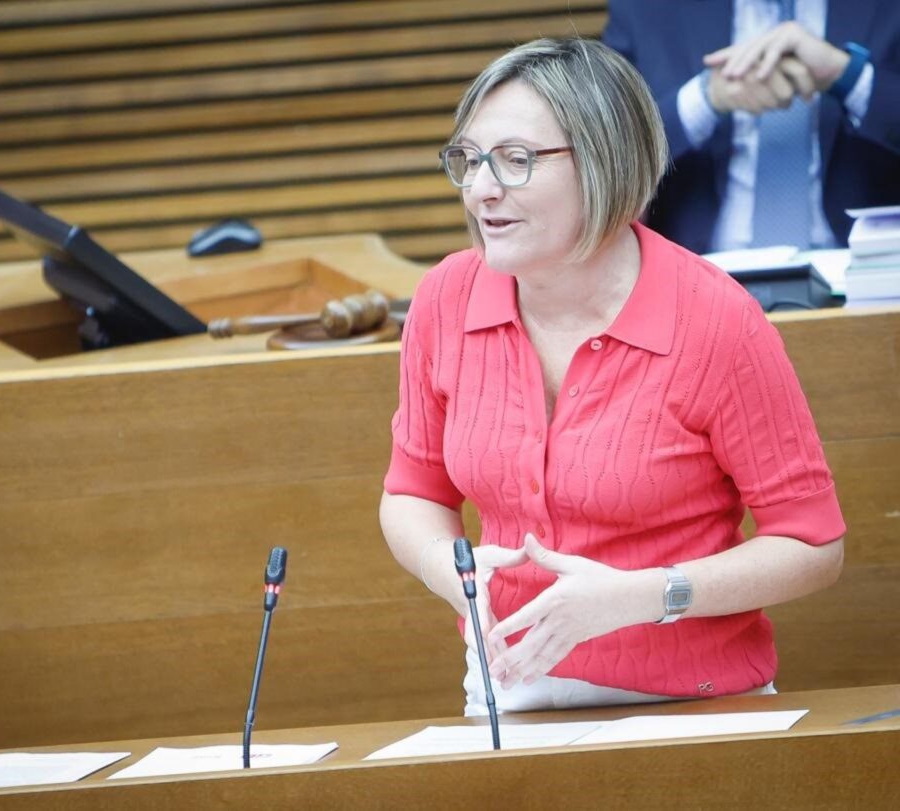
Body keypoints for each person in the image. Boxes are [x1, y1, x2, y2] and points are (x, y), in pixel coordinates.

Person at [379, 38, 845, 716]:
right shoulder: (445, 299)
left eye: (515, 160)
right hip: (507, 694)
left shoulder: (715, 319)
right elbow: (412, 492)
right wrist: (451, 571)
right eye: (469, 159)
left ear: (604, 161)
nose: (480, 189)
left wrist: (643, 595)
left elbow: (812, 544)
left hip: (697, 704)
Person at [603, 0, 900, 254]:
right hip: (699, 278)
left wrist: (849, 78)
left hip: (866, 274)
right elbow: (605, 155)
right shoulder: (645, 8)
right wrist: (703, 99)